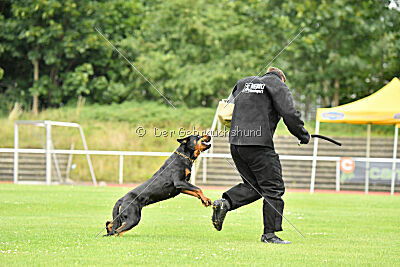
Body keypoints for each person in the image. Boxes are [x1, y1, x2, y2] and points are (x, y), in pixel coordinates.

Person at [211, 67, 310, 244]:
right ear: (282, 78)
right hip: (258, 144)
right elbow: (289, 113)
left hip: (236, 143)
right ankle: (270, 235)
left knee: (253, 186)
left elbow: (226, 111)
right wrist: (303, 135)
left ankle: (225, 203)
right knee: (273, 188)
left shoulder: (242, 83)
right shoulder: (277, 85)